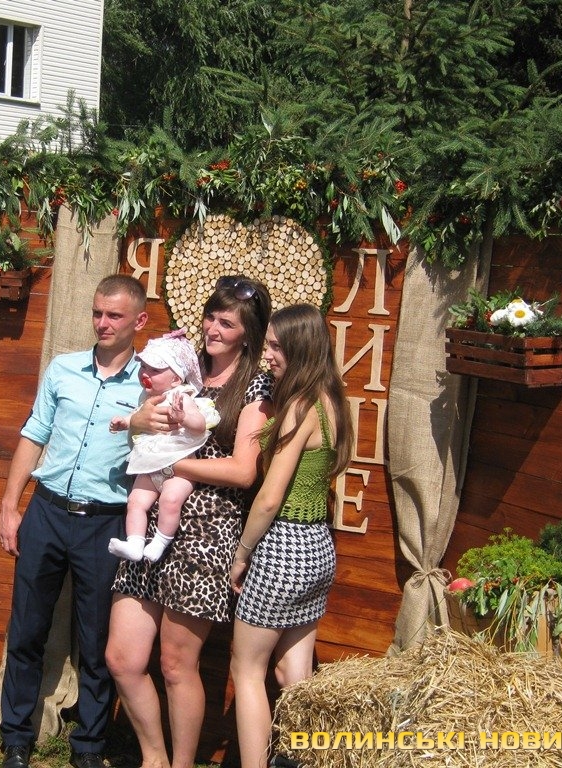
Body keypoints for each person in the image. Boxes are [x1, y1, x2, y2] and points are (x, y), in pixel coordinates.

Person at [107, 275, 274, 768]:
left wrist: (174, 466)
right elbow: (143, 426)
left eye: (227, 323)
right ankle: (153, 759)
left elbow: (243, 471)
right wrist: (139, 424)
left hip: (205, 532)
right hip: (149, 523)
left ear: (248, 333)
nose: (213, 329)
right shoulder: (183, 364)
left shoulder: (256, 386)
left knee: (177, 664)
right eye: (210, 317)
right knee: (122, 658)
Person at [0, 274, 149, 768]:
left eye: (114, 315)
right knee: (27, 629)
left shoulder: (150, 385)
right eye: (97, 313)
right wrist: (10, 504)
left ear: (139, 321)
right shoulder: (62, 370)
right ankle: (16, 737)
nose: (103, 323)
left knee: (97, 639)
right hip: (47, 511)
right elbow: (34, 434)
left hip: (105, 523)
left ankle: (89, 746)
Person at [229, 304, 354, 768]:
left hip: (283, 547)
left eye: (277, 347)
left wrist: (242, 553)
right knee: (294, 674)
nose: (268, 355)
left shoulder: (300, 406)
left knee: (247, 669)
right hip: (318, 547)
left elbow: (269, 498)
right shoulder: (332, 400)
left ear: (301, 348)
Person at [108, 328, 220, 563]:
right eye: (143, 367)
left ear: (176, 378)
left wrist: (184, 417)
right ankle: (135, 543)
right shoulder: (146, 398)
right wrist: (125, 422)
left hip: (179, 466)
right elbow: (136, 416)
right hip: (151, 465)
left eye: (155, 370)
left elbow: (199, 425)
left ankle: (160, 542)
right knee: (136, 501)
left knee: (171, 500)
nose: (145, 373)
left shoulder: (182, 397)